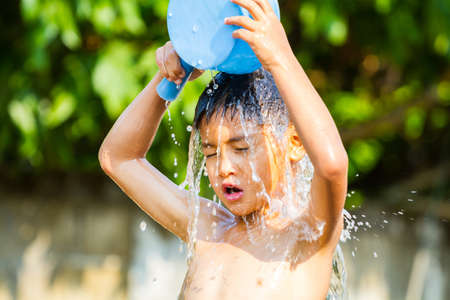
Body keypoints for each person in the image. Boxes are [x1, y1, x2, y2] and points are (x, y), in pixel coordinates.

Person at [99, 0, 348, 299]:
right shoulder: (208, 229)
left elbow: (332, 165)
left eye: (240, 148)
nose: (222, 168)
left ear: (294, 143)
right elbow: (117, 159)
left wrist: (281, 58)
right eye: (210, 152)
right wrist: (169, 78)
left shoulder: (306, 238)